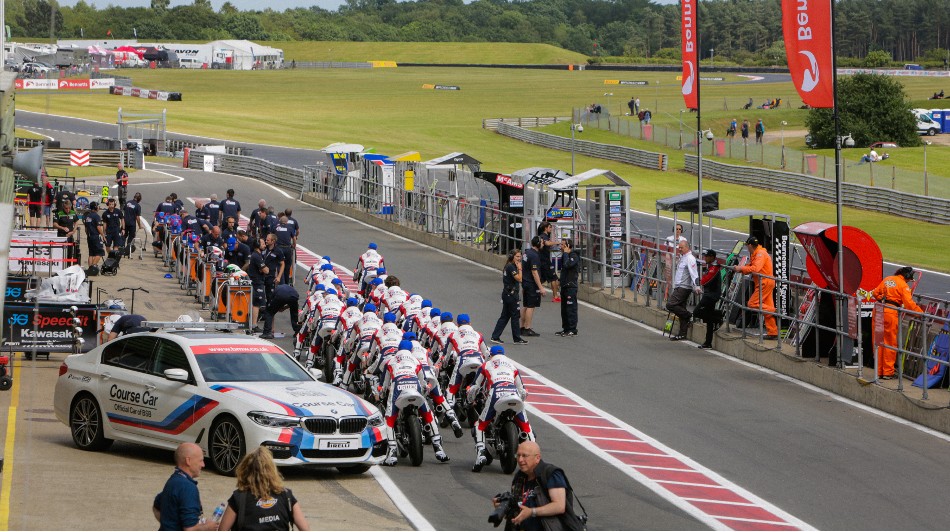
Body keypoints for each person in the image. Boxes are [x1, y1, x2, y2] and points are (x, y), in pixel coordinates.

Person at [469, 346, 533, 472]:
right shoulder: (512, 366)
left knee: (479, 426)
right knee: (527, 427)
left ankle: (480, 455)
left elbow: (475, 387)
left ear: (491, 355)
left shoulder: (486, 365)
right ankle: (534, 461)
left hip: (496, 393)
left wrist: (470, 399)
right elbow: (523, 391)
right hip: (513, 393)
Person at [495, 441, 584, 531]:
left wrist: (532, 512)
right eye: (518, 455)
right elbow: (517, 511)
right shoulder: (519, 477)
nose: (520, 460)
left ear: (537, 458)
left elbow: (559, 506)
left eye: (525, 456)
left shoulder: (551, 474)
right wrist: (503, 508)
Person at [217, 447, 310, 531]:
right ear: (272, 470)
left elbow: (222, 530)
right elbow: (305, 529)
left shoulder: (238, 498)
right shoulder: (286, 495)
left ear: (245, 470)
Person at [870, 266, 923, 380]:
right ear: (907, 276)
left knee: (878, 341)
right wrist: (920, 313)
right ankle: (888, 372)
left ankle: (878, 371)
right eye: (909, 279)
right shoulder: (903, 285)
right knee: (889, 342)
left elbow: (875, 293)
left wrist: (883, 299)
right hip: (890, 313)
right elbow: (909, 304)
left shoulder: (888, 279)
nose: (909, 281)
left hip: (878, 309)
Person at [153, 442, 218, 531]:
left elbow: (156, 506)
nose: (203, 465)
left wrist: (168, 525)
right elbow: (189, 529)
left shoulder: (173, 480)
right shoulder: (188, 488)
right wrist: (208, 527)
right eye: (200, 460)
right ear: (188, 461)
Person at [732, 236, 777, 339]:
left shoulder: (760, 254)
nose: (747, 248)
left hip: (764, 282)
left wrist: (741, 268)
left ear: (750, 245)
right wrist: (741, 268)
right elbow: (751, 265)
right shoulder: (757, 253)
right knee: (764, 306)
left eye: (747, 246)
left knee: (752, 304)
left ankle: (773, 310)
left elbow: (756, 268)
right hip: (766, 282)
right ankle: (773, 332)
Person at [491, 249, 528, 345]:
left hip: (508, 294)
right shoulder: (511, 267)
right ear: (512, 256)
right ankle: (517, 338)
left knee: (505, 316)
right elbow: (519, 279)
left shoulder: (510, 266)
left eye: (520, 256)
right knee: (515, 316)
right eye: (517, 256)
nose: (519, 259)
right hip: (511, 295)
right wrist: (520, 268)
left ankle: (495, 336)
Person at [665, 240, 701, 341]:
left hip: (684, 287)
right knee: (680, 308)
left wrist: (697, 286)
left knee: (670, 305)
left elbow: (694, 273)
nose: (679, 249)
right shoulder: (683, 257)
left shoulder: (690, 258)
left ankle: (688, 315)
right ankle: (682, 334)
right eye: (679, 247)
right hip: (679, 286)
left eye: (681, 247)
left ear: (687, 247)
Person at [692, 249, 722, 349]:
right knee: (709, 320)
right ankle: (708, 342)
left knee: (696, 312)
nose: (705, 258)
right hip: (709, 294)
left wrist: (699, 281)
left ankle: (718, 317)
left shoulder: (715, 268)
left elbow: (705, 281)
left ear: (712, 257)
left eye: (707, 256)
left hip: (711, 296)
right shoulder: (711, 267)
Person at [520, 237, 546, 337]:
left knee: (526, 305)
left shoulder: (527, 253)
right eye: (542, 243)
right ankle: (528, 328)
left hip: (525, 282)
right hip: (531, 284)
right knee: (531, 306)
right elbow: (534, 272)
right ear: (538, 244)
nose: (543, 244)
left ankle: (522, 327)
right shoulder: (534, 255)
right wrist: (541, 287)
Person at [555, 239, 579, 337]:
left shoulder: (574, 256)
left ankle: (572, 329)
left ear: (568, 246)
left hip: (571, 287)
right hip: (564, 286)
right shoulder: (565, 256)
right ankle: (565, 329)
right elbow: (564, 270)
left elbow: (567, 265)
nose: (561, 246)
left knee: (571, 309)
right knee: (564, 309)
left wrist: (565, 254)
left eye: (563, 245)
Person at [247, 238, 268, 332]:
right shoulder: (257, 256)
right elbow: (266, 270)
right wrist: (265, 269)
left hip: (256, 281)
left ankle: (253, 323)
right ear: (257, 245)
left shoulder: (257, 255)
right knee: (256, 304)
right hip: (257, 282)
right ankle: (254, 325)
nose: (265, 245)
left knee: (256, 304)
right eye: (263, 243)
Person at [536, 222, 560, 302]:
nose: (551, 229)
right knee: (554, 278)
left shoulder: (544, 236)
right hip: (545, 261)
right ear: (545, 228)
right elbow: (547, 243)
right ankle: (555, 296)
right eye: (550, 227)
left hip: (543, 260)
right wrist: (557, 242)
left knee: (542, 279)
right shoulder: (543, 236)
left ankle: (530, 290)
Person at [273, 215, 296, 284]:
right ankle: (286, 282)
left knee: (279, 265)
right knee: (287, 266)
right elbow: (294, 238)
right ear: (286, 222)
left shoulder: (276, 227)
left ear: (280, 221)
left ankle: (279, 280)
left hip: (279, 248)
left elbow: (272, 236)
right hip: (287, 248)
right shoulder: (290, 227)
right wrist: (294, 245)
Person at [84, 201, 105, 272]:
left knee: (91, 253)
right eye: (98, 206)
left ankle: (90, 268)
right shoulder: (96, 216)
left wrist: (88, 235)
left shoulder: (87, 216)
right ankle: (93, 267)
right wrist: (103, 235)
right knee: (100, 252)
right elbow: (99, 227)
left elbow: (86, 229)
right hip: (95, 236)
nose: (99, 207)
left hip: (89, 237)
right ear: (95, 207)